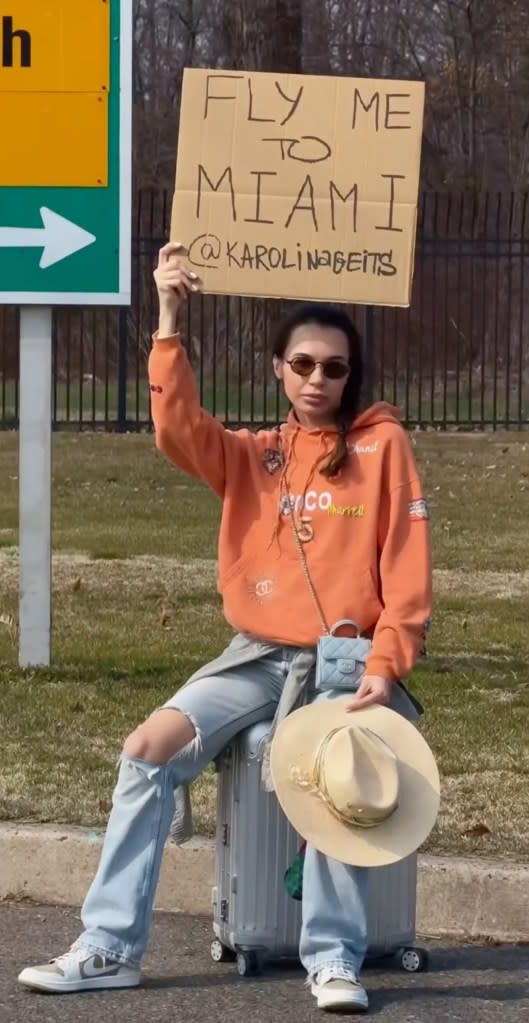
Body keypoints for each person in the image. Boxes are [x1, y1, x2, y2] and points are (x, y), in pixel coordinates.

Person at [18, 243, 432, 1013]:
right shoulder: (255, 455)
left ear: (352, 374)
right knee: (146, 750)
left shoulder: (382, 446)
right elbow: (177, 428)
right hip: (253, 657)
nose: (317, 380)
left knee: (335, 781)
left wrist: (387, 658)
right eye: (302, 363)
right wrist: (171, 314)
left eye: (333, 367)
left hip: (343, 661)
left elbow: (406, 566)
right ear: (277, 369)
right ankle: (108, 945)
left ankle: (335, 958)